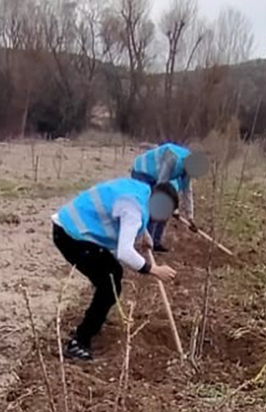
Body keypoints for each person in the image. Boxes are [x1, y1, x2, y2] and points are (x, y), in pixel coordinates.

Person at [52, 177, 179, 361]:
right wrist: (154, 270)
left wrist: (144, 233)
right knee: (110, 282)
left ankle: (96, 315)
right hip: (70, 236)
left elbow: (127, 212)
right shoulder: (134, 209)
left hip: (68, 226)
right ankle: (78, 342)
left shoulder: (142, 192)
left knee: (110, 279)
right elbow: (125, 252)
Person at [130, 142, 199, 252]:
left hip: (157, 177)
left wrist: (190, 217)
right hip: (143, 171)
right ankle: (143, 242)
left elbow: (187, 192)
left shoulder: (188, 168)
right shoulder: (172, 158)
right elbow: (161, 186)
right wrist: (174, 210)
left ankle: (155, 242)